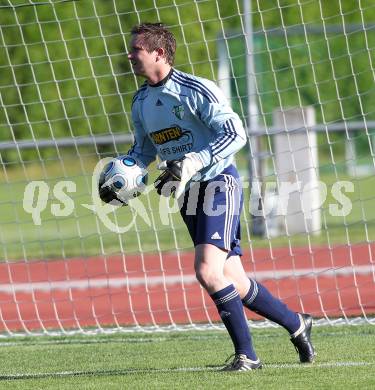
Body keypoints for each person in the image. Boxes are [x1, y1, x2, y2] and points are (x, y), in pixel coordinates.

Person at [100, 22, 315, 371]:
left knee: (207, 270)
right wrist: (126, 174)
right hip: (187, 192)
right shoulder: (140, 101)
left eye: (136, 49)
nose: (130, 55)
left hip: (218, 183)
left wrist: (194, 161)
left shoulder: (195, 90)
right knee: (236, 280)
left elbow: (235, 132)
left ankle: (248, 356)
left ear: (159, 53)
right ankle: (297, 324)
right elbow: (142, 151)